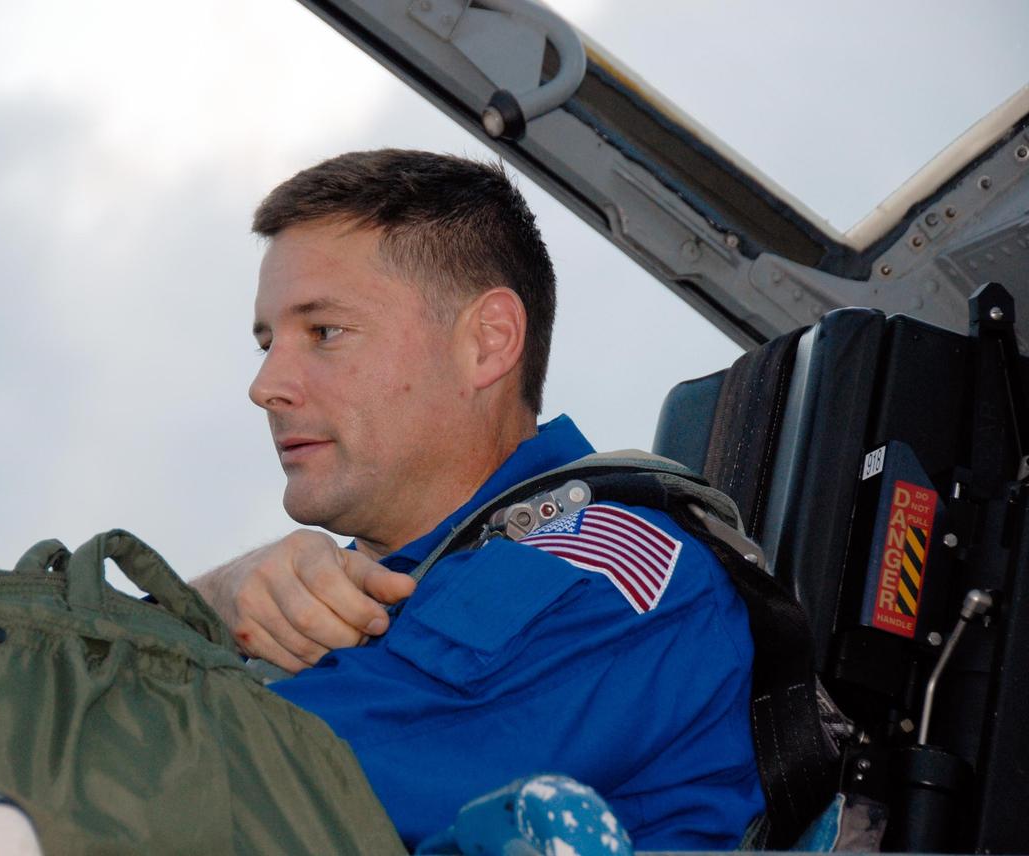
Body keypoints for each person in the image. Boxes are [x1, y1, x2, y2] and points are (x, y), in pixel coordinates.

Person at [190, 150, 763, 850]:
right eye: (266, 343)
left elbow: (239, 779)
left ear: (488, 342)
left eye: (324, 333)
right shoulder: (366, 587)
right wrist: (217, 599)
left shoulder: (607, 579)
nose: (267, 386)